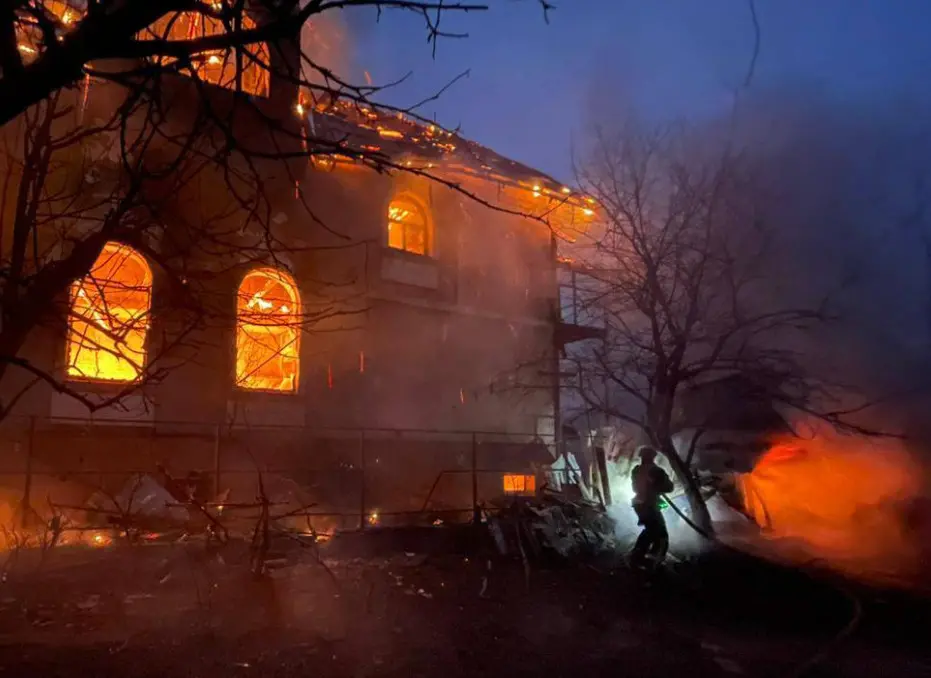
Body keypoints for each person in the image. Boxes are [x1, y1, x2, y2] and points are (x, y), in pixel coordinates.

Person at [630, 446, 674, 569]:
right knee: (661, 534)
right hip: (650, 505)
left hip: (638, 505)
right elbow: (669, 488)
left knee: (651, 531)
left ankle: (642, 557)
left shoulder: (636, 470)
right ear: (653, 457)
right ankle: (649, 559)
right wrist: (658, 485)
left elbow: (634, 488)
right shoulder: (656, 471)